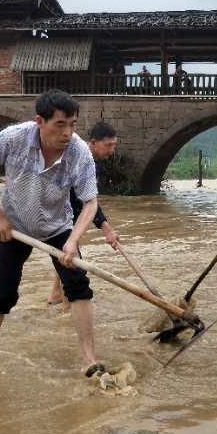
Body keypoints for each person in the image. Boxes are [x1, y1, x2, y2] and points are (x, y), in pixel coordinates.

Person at [0, 90, 105, 377]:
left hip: (58, 227)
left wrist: (73, 240)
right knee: (4, 293)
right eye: (60, 124)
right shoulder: (13, 138)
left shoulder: (79, 153)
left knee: (78, 287)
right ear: (39, 121)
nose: (68, 132)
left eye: (73, 124)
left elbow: (90, 202)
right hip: (15, 227)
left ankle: (89, 360)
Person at [47, 121, 121, 306]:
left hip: (66, 210)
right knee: (71, 262)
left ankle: (56, 294)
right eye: (108, 145)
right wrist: (106, 228)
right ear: (93, 142)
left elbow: (89, 199)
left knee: (66, 250)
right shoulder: (80, 157)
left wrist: (106, 229)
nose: (112, 150)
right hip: (54, 211)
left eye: (114, 145)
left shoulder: (91, 160)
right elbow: (85, 200)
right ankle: (67, 306)